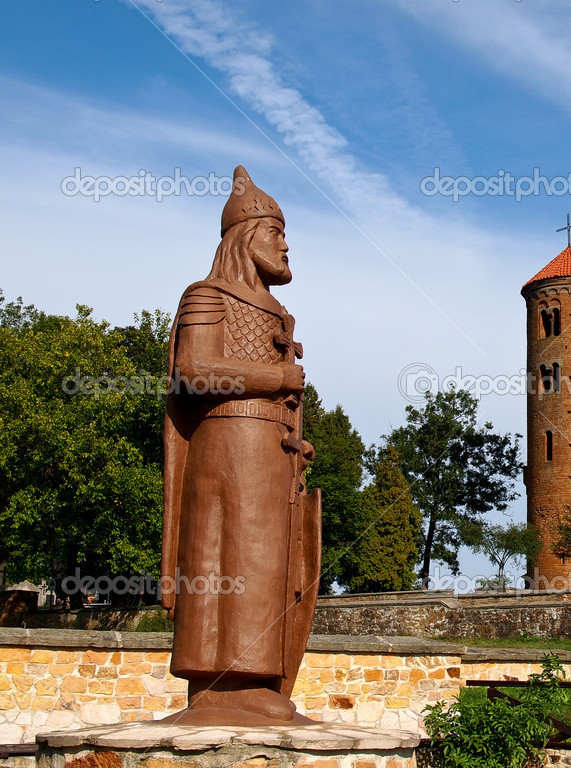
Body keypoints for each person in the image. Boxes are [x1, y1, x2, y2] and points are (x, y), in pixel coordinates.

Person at [161, 166, 320, 725]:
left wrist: (295, 439)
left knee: (271, 564)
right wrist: (277, 382)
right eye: (275, 231)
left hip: (271, 453)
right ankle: (222, 685)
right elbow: (194, 371)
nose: (284, 243)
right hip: (226, 445)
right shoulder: (206, 295)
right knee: (230, 555)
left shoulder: (277, 312)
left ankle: (261, 680)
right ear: (245, 235)